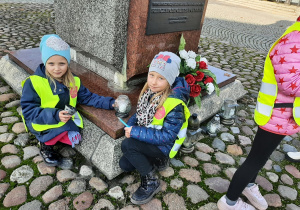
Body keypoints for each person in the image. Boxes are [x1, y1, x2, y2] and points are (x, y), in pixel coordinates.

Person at [217, 17, 300, 210]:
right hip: (277, 114)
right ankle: (229, 202)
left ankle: (248, 185)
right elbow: (289, 83)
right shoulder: (295, 38)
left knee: (259, 156)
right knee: (256, 159)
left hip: (280, 114)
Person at [20, 34, 115, 167]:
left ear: (68, 63)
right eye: (51, 63)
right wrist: (55, 115)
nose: (57, 68)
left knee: (74, 132)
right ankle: (45, 146)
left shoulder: (74, 81)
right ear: (44, 62)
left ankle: (57, 136)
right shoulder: (33, 83)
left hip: (64, 117)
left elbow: (87, 97)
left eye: (62, 63)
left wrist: (109, 103)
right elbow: (29, 112)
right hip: (42, 120)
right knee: (60, 133)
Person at [119, 51, 190, 205]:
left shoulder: (173, 104)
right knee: (125, 164)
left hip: (164, 145)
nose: (153, 82)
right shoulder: (150, 92)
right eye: (151, 75)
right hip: (152, 140)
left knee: (127, 145)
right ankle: (157, 161)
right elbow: (140, 114)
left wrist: (136, 132)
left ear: (170, 80)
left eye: (161, 78)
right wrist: (131, 125)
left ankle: (151, 181)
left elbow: (167, 136)